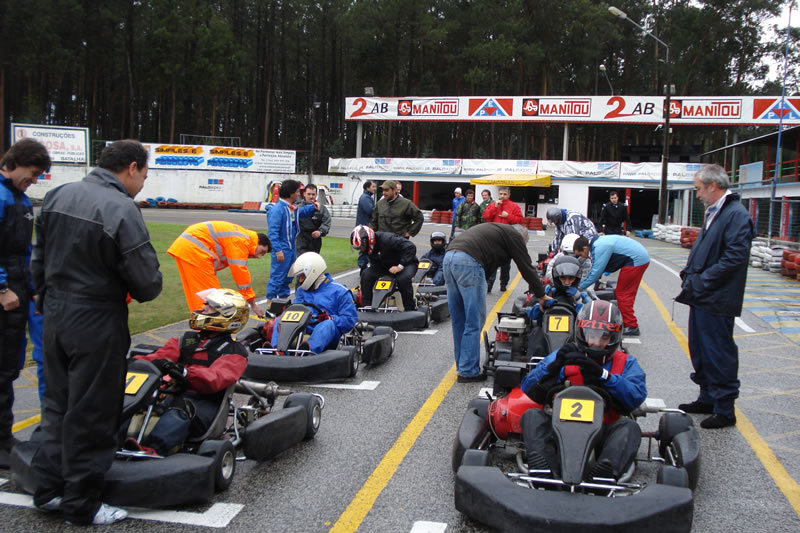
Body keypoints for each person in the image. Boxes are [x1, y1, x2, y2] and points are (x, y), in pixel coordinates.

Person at [30, 139, 162, 525]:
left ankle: (49, 489)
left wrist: (45, 297)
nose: (142, 184)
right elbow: (147, 283)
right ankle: (82, 503)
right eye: (144, 176)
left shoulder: (56, 195)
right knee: (93, 410)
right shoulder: (121, 207)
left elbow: (38, 257)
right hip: (95, 316)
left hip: (53, 312)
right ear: (132, 167)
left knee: (57, 404)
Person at [520, 300, 647, 480]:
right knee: (532, 416)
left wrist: (603, 375)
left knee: (629, 427)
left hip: (603, 429)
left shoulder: (625, 362)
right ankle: (544, 468)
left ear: (614, 338)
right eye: (591, 335)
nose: (596, 342)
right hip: (558, 428)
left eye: (604, 337)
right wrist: (554, 367)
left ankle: (605, 472)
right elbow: (528, 387)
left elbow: (636, 396)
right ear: (580, 332)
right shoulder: (564, 355)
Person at [675, 164, 755, 429]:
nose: (697, 194)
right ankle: (707, 397)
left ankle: (724, 408)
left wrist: (701, 281)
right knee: (700, 349)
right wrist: (689, 274)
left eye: (698, 189)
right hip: (703, 295)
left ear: (713, 186)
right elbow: (704, 249)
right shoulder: (716, 212)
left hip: (717, 297)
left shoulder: (735, 215)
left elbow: (734, 258)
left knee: (718, 351)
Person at [129, 288, 248, 455]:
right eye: (206, 304)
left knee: (181, 408)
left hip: (204, 405)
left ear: (227, 315)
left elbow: (216, 379)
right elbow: (160, 357)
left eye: (211, 307)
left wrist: (184, 372)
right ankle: (117, 438)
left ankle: (154, 449)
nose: (204, 308)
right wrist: (133, 364)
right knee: (139, 401)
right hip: (173, 395)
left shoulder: (233, 351)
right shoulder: (187, 340)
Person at [444, 223, 550, 382]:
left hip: (449, 259)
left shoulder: (497, 231)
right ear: (522, 238)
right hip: (468, 262)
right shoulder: (514, 236)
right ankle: (468, 371)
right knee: (473, 321)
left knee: (459, 320)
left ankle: (463, 365)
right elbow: (526, 266)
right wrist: (541, 295)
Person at [0, 138, 51, 467]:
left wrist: (34, 288)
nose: (33, 181)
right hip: (6, 294)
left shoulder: (21, 200)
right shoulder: (2, 197)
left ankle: (4, 436)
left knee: (9, 365)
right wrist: (2, 287)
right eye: (32, 174)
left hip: (20, 292)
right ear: (14, 162)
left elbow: (26, 252)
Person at [168, 221, 270, 317]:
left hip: (187, 249)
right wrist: (252, 303)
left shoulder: (240, 235)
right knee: (212, 300)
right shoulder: (242, 241)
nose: (258, 256)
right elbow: (240, 272)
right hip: (195, 252)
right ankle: (208, 331)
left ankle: (202, 329)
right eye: (261, 251)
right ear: (257, 242)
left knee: (199, 297)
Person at [268, 252, 358, 353]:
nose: (300, 281)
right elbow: (296, 312)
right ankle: (277, 350)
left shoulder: (340, 291)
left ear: (313, 272)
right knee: (280, 319)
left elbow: (349, 320)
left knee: (327, 324)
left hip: (329, 334)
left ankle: (308, 352)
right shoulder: (302, 291)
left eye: (302, 276)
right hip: (304, 328)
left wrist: (330, 318)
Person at [574, 235, 649, 336]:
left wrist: (578, 288)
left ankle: (632, 326)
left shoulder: (600, 246)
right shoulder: (597, 244)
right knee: (624, 293)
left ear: (585, 248)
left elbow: (596, 273)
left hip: (636, 261)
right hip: (637, 257)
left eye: (581, 254)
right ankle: (628, 321)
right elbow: (597, 268)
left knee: (623, 294)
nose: (583, 257)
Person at [267, 179, 319, 301]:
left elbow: (300, 212)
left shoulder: (291, 208)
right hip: (282, 249)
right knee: (277, 277)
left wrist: (313, 207)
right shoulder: (277, 210)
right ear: (290, 193)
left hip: (291, 249)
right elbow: (272, 233)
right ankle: (271, 304)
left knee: (288, 277)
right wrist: (278, 251)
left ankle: (283, 301)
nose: (298, 194)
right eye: (297, 191)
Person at [351, 225, 419, 312]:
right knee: (366, 275)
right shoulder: (368, 248)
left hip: (406, 264)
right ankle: (367, 308)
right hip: (385, 266)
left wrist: (400, 266)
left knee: (403, 279)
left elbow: (410, 247)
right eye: (359, 248)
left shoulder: (388, 239)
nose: (362, 249)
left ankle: (410, 309)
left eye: (362, 247)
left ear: (369, 240)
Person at [482, 186, 524, 292]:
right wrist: (494, 207)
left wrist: (508, 216)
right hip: (494, 238)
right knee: (492, 263)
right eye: (500, 194)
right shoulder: (493, 205)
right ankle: (489, 285)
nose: (502, 196)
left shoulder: (514, 206)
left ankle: (503, 284)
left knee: (506, 265)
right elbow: (486, 216)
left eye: (505, 194)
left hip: (507, 239)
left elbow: (519, 220)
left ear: (509, 195)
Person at [527, 255, 589, 325]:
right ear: (556, 276)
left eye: (571, 278)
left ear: (576, 278)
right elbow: (528, 313)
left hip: (573, 332)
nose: (566, 282)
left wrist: (578, 302)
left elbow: (590, 318)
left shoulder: (582, 295)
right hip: (544, 330)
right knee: (535, 332)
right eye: (563, 278)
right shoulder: (546, 292)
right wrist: (542, 306)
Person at [296, 184, 331, 256]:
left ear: (316, 195)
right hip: (301, 239)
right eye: (309, 194)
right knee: (302, 262)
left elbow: (327, 222)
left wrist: (320, 231)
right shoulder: (298, 208)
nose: (311, 197)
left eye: (313, 194)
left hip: (315, 240)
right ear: (304, 194)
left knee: (314, 263)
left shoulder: (322, 208)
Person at [355, 180, 377, 271]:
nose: (375, 189)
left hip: (366, 226)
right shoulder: (365, 198)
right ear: (367, 187)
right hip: (364, 227)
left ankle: (366, 267)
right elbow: (370, 211)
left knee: (369, 247)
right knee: (365, 247)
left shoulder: (368, 197)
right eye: (373, 187)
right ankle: (363, 268)